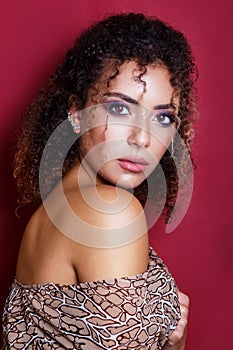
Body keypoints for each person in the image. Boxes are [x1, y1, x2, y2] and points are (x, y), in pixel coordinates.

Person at [2, 12, 197, 349]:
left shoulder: (55, 208)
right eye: (120, 109)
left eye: (163, 117)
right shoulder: (110, 213)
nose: (141, 137)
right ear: (76, 114)